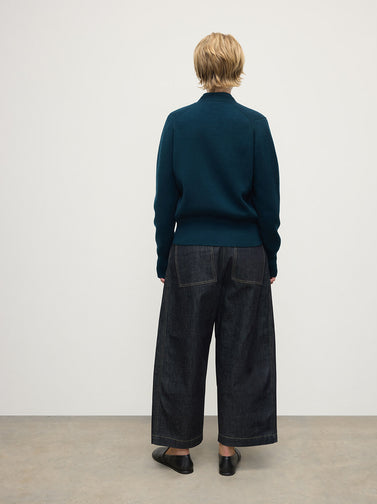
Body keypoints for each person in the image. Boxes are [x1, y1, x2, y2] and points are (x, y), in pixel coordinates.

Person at [151, 32, 281, 476]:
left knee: (181, 349)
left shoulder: (178, 123)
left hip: (190, 251)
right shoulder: (255, 124)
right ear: (237, 67)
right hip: (247, 253)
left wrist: (163, 256)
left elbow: (165, 200)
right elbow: (268, 201)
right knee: (244, 350)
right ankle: (228, 451)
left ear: (199, 68)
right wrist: (270, 257)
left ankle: (179, 450)